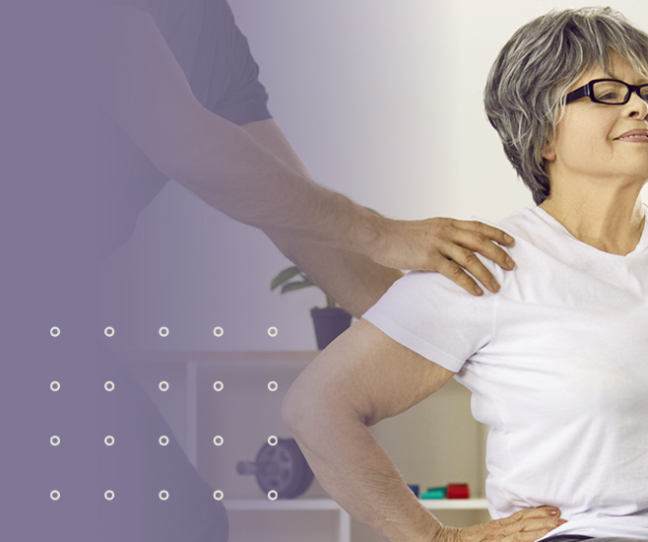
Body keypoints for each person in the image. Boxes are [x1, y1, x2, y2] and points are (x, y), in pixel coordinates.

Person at [283, 7, 648, 542]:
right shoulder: (489, 262)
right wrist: (439, 539)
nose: (639, 107)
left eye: (646, 92)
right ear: (542, 135)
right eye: (607, 93)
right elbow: (318, 407)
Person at [93, 1, 518, 541]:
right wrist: (382, 233)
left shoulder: (207, 27)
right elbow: (187, 142)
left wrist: (478, 343)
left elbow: (295, 222)